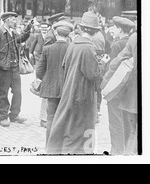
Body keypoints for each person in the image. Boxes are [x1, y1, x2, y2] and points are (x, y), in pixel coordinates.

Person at [46, 11, 109, 154]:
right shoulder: (88, 47)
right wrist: (102, 64)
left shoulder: (73, 44)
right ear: (94, 31)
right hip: (82, 95)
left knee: (68, 125)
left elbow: (65, 66)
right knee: (80, 131)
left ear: (82, 28)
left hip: (69, 91)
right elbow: (93, 75)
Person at [101, 16, 136, 155]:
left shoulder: (116, 45)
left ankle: (116, 150)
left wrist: (105, 87)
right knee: (126, 122)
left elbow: (114, 67)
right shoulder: (131, 41)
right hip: (128, 90)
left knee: (115, 122)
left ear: (120, 30)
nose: (112, 30)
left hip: (116, 88)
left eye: (114, 28)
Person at [36, 20, 73, 146]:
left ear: (56, 34)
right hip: (66, 89)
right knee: (64, 118)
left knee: (50, 118)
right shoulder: (71, 49)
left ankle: (50, 146)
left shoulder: (47, 49)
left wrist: (44, 78)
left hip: (51, 89)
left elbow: (39, 71)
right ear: (68, 36)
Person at [0, 12, 32, 127]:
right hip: (3, 68)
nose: (15, 21)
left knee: (17, 92)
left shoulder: (13, 32)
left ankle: (14, 114)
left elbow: (22, 38)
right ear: (6, 20)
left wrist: (29, 27)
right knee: (3, 93)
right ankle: (3, 116)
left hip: (14, 67)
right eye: (13, 19)